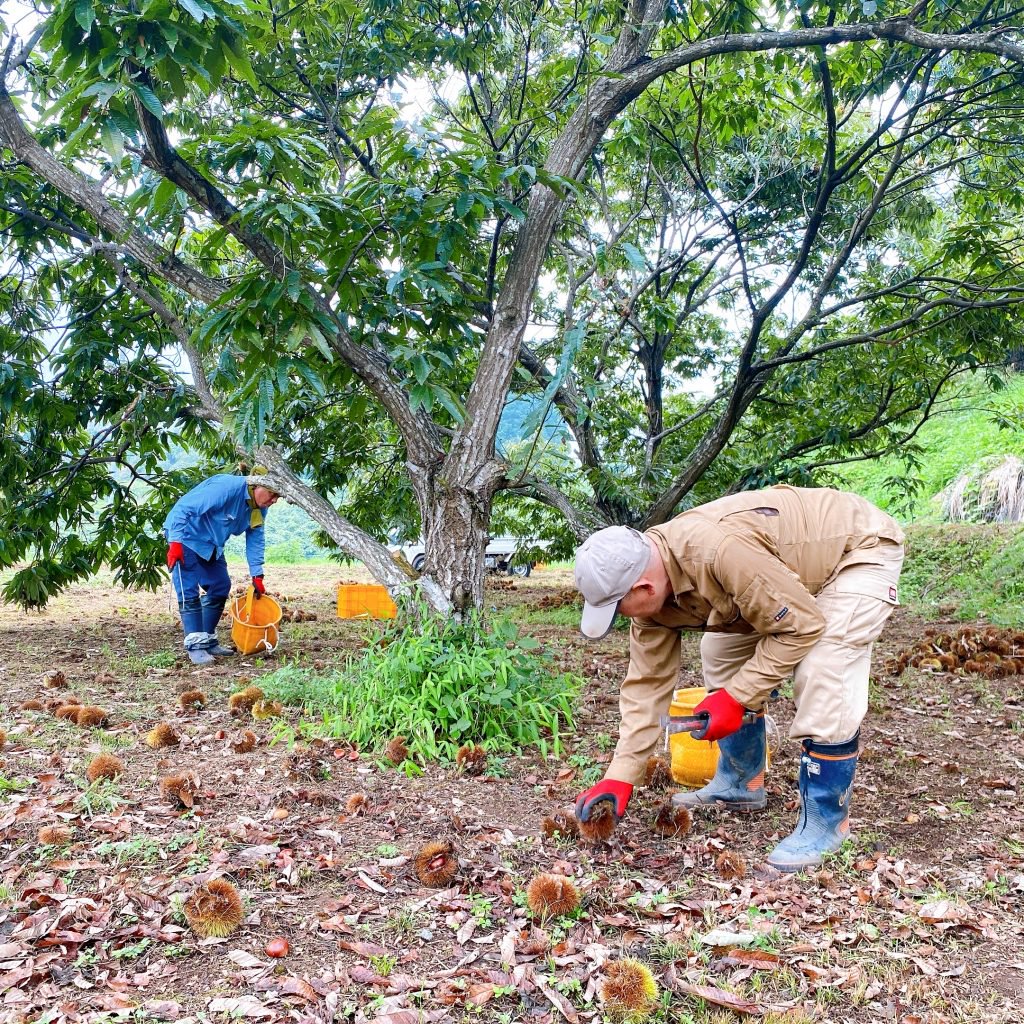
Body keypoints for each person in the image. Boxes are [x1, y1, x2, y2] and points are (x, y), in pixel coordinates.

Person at [571, 485, 904, 871]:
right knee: (721, 652)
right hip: (783, 573)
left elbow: (802, 625)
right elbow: (647, 686)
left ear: (643, 588)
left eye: (617, 608)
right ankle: (742, 783)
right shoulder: (650, 596)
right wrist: (620, 776)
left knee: (825, 664)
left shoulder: (720, 553)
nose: (621, 618)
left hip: (857, 549)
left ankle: (828, 822)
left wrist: (736, 697)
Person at [164, 473, 280, 665]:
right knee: (188, 589)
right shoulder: (227, 488)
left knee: (220, 586)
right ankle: (195, 646)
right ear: (257, 485)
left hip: (211, 544)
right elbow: (183, 508)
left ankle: (207, 639)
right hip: (187, 537)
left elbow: (256, 538)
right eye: (272, 494)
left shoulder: (258, 509)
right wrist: (175, 542)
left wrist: (257, 574)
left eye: (278, 497)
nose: (274, 500)